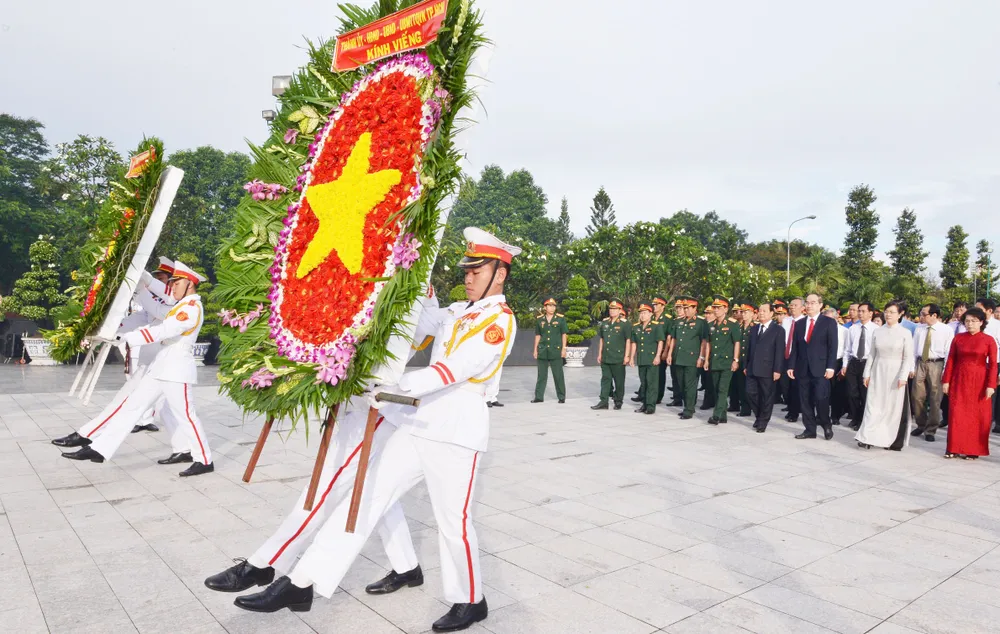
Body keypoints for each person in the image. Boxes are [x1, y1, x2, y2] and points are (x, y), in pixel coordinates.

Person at [229, 228, 519, 632]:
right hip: (420, 422)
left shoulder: (499, 321)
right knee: (365, 497)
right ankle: (301, 582)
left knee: (454, 523)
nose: (468, 277)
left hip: (457, 431)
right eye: (466, 270)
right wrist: (407, 276)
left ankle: (471, 600)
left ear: (499, 274)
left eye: (477, 270)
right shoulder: (456, 311)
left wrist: (396, 387)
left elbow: (456, 369)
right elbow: (415, 319)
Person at [60, 262, 215, 476]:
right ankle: (99, 449)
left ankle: (204, 460)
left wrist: (126, 338)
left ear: (190, 283)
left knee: (186, 416)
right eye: (171, 283)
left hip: (176, 371)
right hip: (161, 367)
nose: (173, 287)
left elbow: (163, 331)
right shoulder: (181, 305)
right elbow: (158, 314)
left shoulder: (191, 308)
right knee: (132, 407)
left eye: (177, 283)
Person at [855, 302, 914, 450]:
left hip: (895, 372)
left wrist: (903, 376)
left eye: (892, 312)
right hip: (878, 370)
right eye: (886, 311)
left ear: (900, 314)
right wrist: (866, 373)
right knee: (873, 405)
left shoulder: (905, 333)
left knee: (891, 407)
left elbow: (908, 357)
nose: (888, 315)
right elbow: (872, 354)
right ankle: (867, 437)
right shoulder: (878, 331)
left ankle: (888, 439)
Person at [942, 307, 997, 459]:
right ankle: (953, 448)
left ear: (981, 322)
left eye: (973, 321)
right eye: (967, 321)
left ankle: (973, 450)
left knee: (976, 416)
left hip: (980, 380)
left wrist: (991, 385)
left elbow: (993, 364)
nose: (970, 324)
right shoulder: (958, 338)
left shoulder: (988, 340)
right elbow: (951, 360)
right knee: (956, 413)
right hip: (959, 379)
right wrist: (946, 381)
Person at [789, 293, 838, 440]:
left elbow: (833, 347)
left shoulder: (828, 322)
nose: (809, 305)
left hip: (821, 368)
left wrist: (831, 367)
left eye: (813, 302)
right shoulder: (799, 323)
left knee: (821, 398)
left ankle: (826, 424)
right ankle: (810, 429)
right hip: (802, 368)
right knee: (805, 401)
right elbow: (795, 347)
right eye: (807, 303)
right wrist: (791, 366)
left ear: (820, 305)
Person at [910, 304, 953, 442]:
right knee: (917, 396)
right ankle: (921, 424)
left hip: (937, 364)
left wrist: (945, 371)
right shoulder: (919, 329)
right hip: (920, 363)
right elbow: (913, 349)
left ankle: (931, 429)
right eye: (921, 314)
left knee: (935, 398)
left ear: (934, 315)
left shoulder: (946, 330)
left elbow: (949, 352)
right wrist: (912, 367)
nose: (921, 317)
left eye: (924, 314)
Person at [666, 297, 709, 420]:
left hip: (692, 358)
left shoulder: (701, 322)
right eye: (684, 308)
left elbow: (704, 341)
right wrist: (669, 354)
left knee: (690, 385)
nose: (685, 310)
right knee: (681, 384)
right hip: (679, 357)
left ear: (695, 308)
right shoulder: (679, 322)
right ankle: (688, 406)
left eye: (688, 308)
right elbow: (674, 339)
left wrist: (701, 357)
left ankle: (689, 409)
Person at [745, 302, 784, 433]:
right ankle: (759, 416)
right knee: (750, 393)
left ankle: (763, 421)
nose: (761, 313)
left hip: (768, 368)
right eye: (760, 311)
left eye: (764, 311)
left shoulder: (778, 330)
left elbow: (779, 351)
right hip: (752, 367)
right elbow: (749, 349)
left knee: (767, 397)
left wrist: (777, 370)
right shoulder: (754, 328)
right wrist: (746, 365)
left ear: (771, 313)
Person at [705, 296, 740, 425]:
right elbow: (708, 344)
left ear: (725, 309)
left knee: (722, 389)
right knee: (716, 389)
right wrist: (706, 359)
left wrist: (736, 359)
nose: (716, 310)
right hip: (714, 361)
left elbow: (736, 342)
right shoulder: (711, 325)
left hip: (727, 362)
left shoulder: (732, 324)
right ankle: (723, 415)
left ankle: (716, 416)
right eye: (714, 307)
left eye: (719, 308)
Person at [592, 300, 631, 410]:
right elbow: (602, 339)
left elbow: (628, 340)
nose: (612, 311)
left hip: (618, 357)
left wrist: (627, 356)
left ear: (619, 310)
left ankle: (618, 401)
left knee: (619, 381)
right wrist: (599, 353)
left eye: (615, 309)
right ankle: (603, 401)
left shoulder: (625, 324)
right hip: (606, 356)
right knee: (605, 379)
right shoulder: (605, 323)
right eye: (611, 309)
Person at [843, 302, 876, 430]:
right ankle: (855, 417)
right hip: (854, 362)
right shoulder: (853, 329)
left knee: (864, 393)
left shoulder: (876, 329)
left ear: (870, 313)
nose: (860, 313)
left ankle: (862, 420)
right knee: (852, 393)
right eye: (859, 311)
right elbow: (847, 349)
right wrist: (845, 365)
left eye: (863, 311)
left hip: (868, 363)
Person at [630, 302, 664, 414]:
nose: (642, 315)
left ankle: (650, 406)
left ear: (650, 314)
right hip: (642, 359)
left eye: (645, 313)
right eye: (641, 313)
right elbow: (634, 343)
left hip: (652, 359)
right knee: (644, 383)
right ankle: (644, 404)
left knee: (651, 383)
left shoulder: (656, 326)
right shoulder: (636, 327)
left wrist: (658, 356)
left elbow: (660, 342)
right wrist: (631, 357)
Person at [532, 297, 567, 404]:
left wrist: (564, 348)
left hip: (556, 350)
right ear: (545, 307)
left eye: (554, 306)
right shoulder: (540, 319)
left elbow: (564, 334)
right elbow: (538, 335)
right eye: (550, 306)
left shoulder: (560, 319)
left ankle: (561, 396)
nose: (552, 308)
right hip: (543, 350)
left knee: (558, 375)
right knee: (541, 375)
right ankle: (539, 397)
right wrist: (535, 349)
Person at [781, 297, 806, 423]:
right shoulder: (786, 321)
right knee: (785, 385)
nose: (792, 307)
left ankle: (794, 412)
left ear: (803, 308)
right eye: (791, 305)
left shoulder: (805, 321)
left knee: (795, 386)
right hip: (785, 356)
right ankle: (790, 407)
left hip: (798, 358)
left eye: (795, 305)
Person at [824, 306, 849, 425]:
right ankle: (822, 415)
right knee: (823, 391)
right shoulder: (820, 330)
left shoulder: (844, 331)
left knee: (837, 391)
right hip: (823, 362)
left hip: (838, 362)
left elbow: (847, 349)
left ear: (836, 318)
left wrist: (845, 366)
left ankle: (835, 416)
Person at [730, 302, 755, 417]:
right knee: (738, 385)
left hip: (749, 361)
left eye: (746, 312)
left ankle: (747, 408)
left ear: (752, 313)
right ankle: (739, 406)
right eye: (742, 312)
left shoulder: (754, 327)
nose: (743, 314)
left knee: (747, 387)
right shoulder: (738, 327)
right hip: (739, 360)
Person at [651, 296, 671, 405]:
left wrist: (665, 352)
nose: (654, 306)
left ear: (663, 306)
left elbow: (668, 337)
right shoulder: (651, 317)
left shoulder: (667, 319)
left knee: (660, 375)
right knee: (650, 374)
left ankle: (658, 396)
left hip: (662, 350)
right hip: (651, 350)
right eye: (653, 304)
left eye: (656, 304)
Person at [667, 298, 685, 406]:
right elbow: (670, 337)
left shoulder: (688, 321)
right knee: (675, 377)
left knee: (684, 379)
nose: (678, 310)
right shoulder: (674, 321)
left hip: (684, 354)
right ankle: (677, 398)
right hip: (674, 353)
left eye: (681, 308)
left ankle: (688, 399)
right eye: (677, 308)